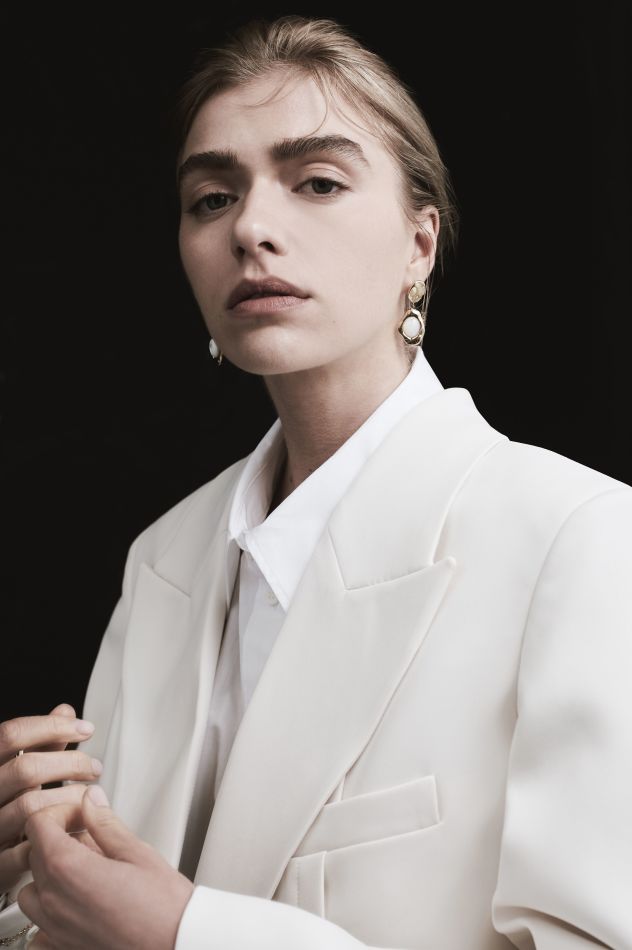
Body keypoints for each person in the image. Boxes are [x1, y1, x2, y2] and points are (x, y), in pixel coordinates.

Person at [1, 13, 630, 949]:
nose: (251, 228)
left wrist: (187, 934)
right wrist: (32, 879)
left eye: (319, 182)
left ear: (420, 244)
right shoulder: (165, 557)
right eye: (212, 198)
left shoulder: (577, 538)